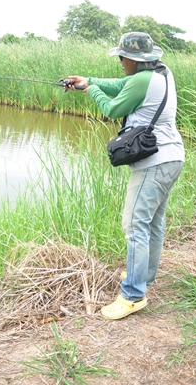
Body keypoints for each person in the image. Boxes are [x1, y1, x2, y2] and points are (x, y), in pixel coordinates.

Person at [68, 32, 184, 320]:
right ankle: (143, 275)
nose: (120, 62)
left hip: (153, 164)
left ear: (133, 59)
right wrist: (89, 80)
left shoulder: (143, 80)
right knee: (153, 224)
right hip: (172, 157)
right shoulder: (160, 73)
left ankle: (133, 295)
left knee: (134, 226)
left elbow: (112, 108)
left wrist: (89, 91)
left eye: (121, 57)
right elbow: (121, 85)